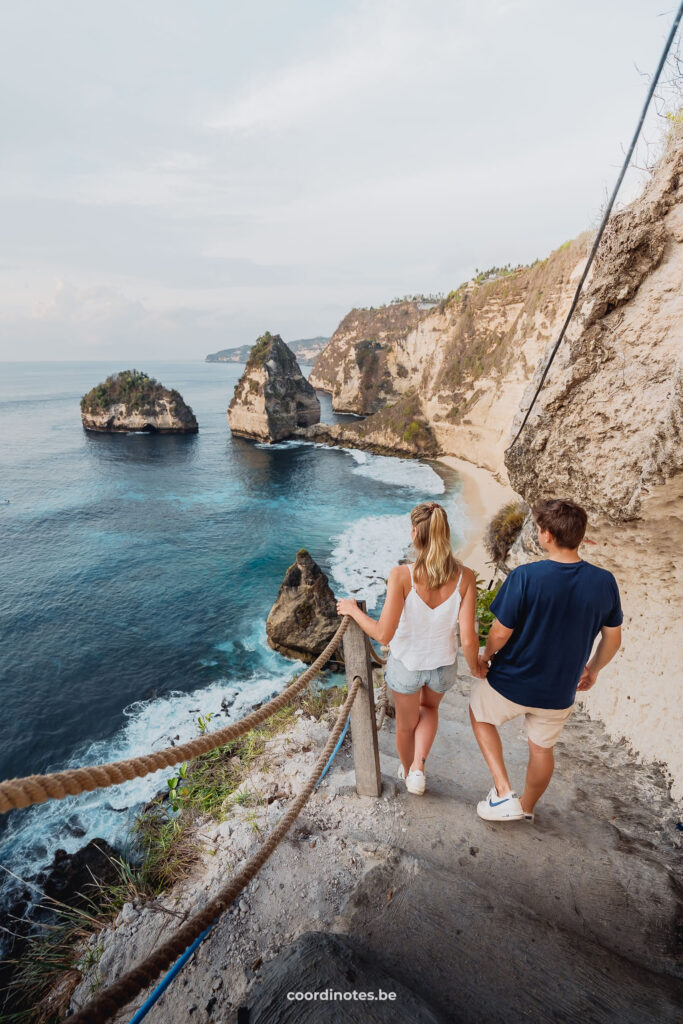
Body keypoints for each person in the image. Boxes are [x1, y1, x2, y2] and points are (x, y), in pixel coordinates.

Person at [470, 497, 622, 822]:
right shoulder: (604, 581)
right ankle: (526, 808)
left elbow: (500, 630)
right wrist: (592, 670)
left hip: (510, 682)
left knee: (480, 715)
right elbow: (613, 637)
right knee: (541, 748)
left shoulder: (526, 576)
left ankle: (502, 792)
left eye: (539, 529)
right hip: (559, 690)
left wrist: (486, 655)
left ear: (546, 536)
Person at [337, 501, 481, 795]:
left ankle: (410, 772)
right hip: (443, 666)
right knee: (429, 710)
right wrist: (478, 667)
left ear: (415, 533)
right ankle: (418, 765)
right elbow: (467, 639)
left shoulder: (402, 575)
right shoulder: (466, 578)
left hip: (407, 666)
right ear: (445, 533)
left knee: (405, 726)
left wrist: (353, 610)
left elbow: (383, 635)